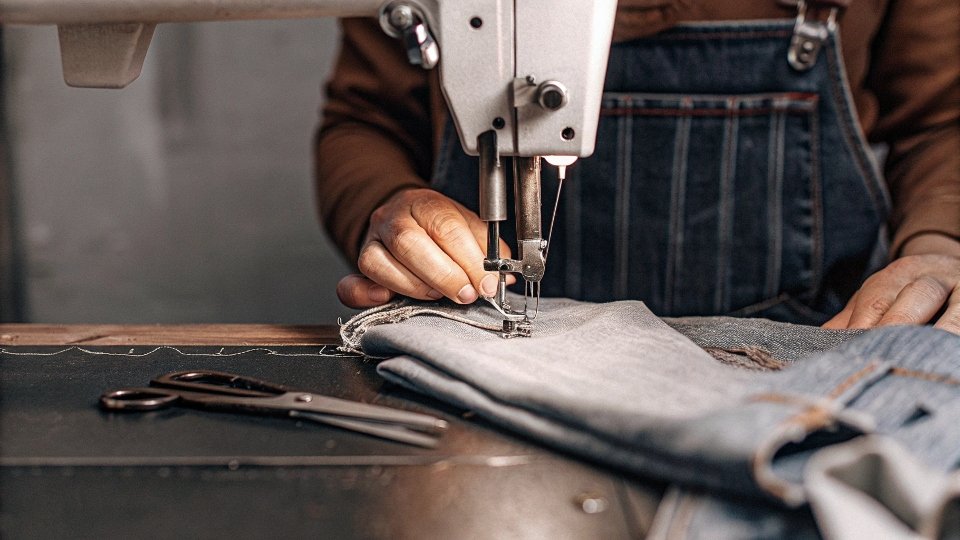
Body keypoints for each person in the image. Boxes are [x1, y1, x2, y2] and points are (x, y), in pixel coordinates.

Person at [314, 0, 959, 334]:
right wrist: (395, 210)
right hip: (481, 336)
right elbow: (366, 121)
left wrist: (939, 247)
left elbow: (943, 121)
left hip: (803, 366)